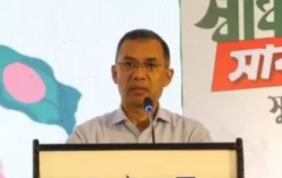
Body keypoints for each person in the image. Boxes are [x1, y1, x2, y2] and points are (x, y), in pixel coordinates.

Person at [67, 29, 211, 143]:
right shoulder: (86, 137)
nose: (139, 75)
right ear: (115, 73)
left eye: (151, 65)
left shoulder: (191, 135)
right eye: (129, 64)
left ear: (168, 76)